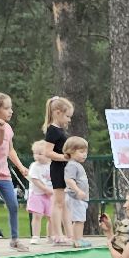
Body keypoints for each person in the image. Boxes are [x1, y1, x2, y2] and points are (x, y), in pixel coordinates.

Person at [0, 92, 28, 251]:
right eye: (7, 108)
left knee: (13, 205)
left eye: (11, 108)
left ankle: (15, 239)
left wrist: (20, 166)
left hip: (4, 175)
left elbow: (10, 150)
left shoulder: (7, 128)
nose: (11, 111)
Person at [43, 96, 76, 247]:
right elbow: (47, 152)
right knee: (58, 203)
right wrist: (64, 157)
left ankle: (70, 234)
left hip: (64, 168)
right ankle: (57, 234)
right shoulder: (53, 130)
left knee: (64, 203)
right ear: (57, 113)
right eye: (67, 116)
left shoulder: (60, 130)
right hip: (58, 169)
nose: (69, 120)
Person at [63, 135, 92, 245]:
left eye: (85, 152)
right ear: (71, 151)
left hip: (79, 198)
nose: (84, 154)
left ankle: (79, 238)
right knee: (78, 219)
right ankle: (77, 240)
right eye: (81, 152)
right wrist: (78, 190)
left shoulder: (76, 165)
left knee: (80, 219)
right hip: (75, 197)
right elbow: (69, 180)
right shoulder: (72, 165)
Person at [26, 139, 53, 243]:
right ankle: (35, 236)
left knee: (51, 216)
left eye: (40, 154)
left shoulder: (52, 165)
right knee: (37, 215)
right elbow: (35, 180)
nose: (37, 156)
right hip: (37, 194)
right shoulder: (34, 166)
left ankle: (50, 236)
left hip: (50, 195)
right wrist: (45, 189)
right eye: (35, 153)